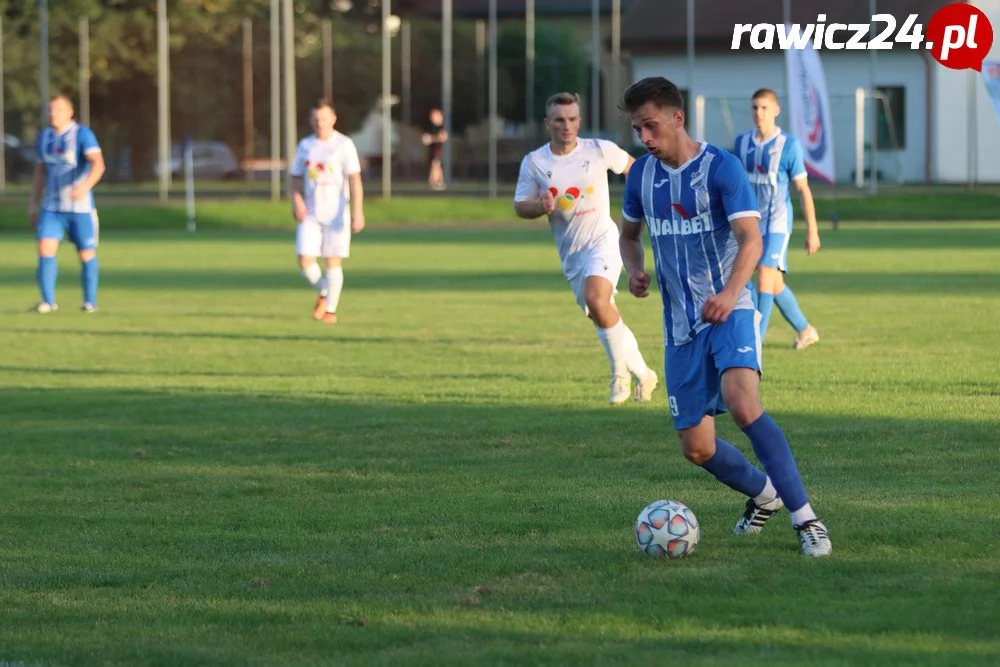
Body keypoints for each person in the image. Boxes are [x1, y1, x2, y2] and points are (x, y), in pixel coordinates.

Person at [617, 77, 831, 556]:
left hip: (730, 309)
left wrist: (731, 293)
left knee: (742, 402)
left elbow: (752, 240)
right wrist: (635, 270)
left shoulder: (721, 167)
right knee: (697, 449)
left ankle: (807, 520)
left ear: (677, 118)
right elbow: (628, 235)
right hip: (679, 327)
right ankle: (765, 495)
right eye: (637, 129)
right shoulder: (640, 176)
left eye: (651, 126)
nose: (645, 138)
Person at [514, 92, 658, 406]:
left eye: (573, 119)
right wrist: (540, 206)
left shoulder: (599, 150)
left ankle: (618, 374)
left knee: (597, 299)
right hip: (571, 254)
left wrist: (645, 204)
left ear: (580, 120)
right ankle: (645, 374)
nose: (567, 126)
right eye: (560, 120)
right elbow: (520, 206)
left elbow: (636, 170)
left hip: (604, 240)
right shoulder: (536, 162)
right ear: (548, 123)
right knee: (603, 314)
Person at [734, 88, 821, 349]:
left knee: (764, 277)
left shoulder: (789, 145)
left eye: (764, 107)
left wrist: (812, 231)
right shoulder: (742, 143)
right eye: (755, 107)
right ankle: (806, 330)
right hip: (752, 224)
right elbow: (734, 185)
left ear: (776, 110)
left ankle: (755, 343)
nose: (759, 113)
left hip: (777, 223)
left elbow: (803, 190)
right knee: (774, 283)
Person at [289, 99, 366, 324]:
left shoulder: (343, 144)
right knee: (305, 260)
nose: (319, 123)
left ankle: (330, 309)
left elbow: (354, 179)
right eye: (315, 119)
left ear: (333, 118)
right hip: (311, 212)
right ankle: (324, 293)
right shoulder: (305, 145)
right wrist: (296, 200)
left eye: (323, 118)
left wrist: (358, 211)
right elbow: (295, 177)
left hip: (336, 213)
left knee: (332, 261)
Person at [28, 94, 105, 313]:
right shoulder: (44, 137)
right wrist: (33, 203)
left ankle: (89, 302)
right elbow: (40, 172)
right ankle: (48, 301)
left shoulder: (82, 134)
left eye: (59, 110)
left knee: (86, 253)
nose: (54, 114)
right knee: (45, 247)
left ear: (70, 112)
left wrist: (85, 186)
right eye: (51, 110)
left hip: (79, 209)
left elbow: (98, 165)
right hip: (52, 207)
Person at [421, 108, 448, 191]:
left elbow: (443, 137)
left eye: (436, 115)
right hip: (432, 149)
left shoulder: (441, 127)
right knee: (435, 165)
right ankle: (435, 182)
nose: (434, 118)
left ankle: (437, 182)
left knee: (436, 164)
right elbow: (425, 139)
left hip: (438, 149)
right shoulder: (431, 128)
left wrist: (432, 139)